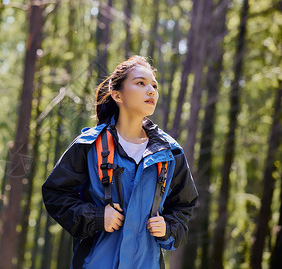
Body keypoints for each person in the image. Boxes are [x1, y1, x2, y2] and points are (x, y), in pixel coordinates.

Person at [42, 56, 198, 269]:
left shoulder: (170, 152)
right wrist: (97, 217)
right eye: (140, 83)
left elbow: (184, 204)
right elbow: (56, 194)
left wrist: (168, 228)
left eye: (154, 85)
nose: (151, 90)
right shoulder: (89, 145)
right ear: (117, 94)